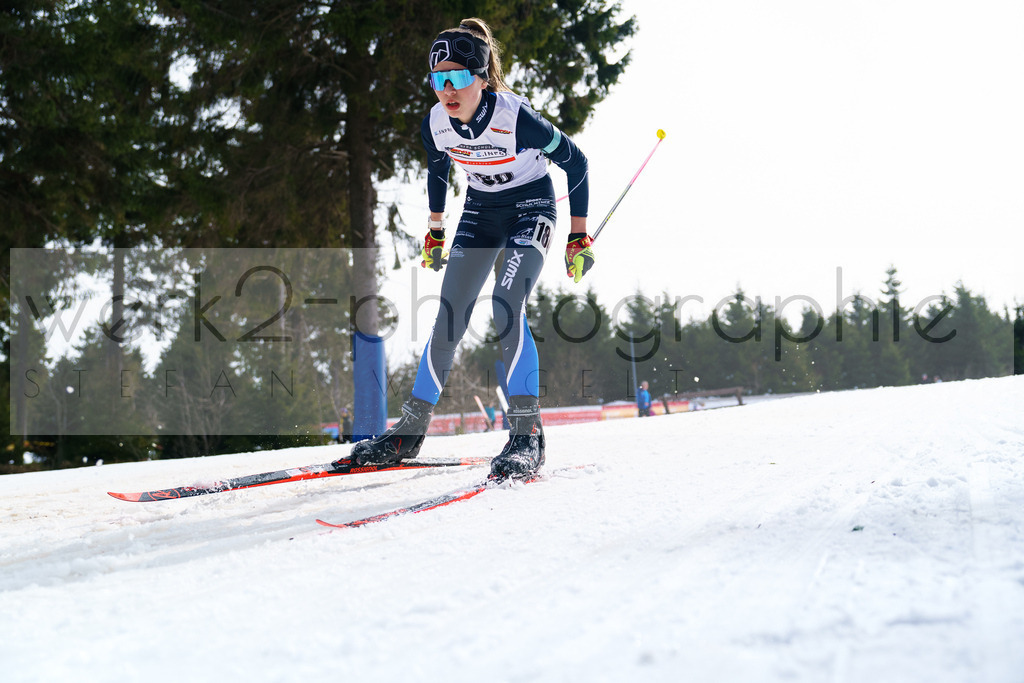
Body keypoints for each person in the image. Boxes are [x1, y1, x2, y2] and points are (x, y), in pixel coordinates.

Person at [339, 18, 593, 479]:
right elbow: (438, 170)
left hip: (531, 207)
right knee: (450, 314)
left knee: (505, 305)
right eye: (437, 80)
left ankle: (526, 433)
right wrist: (435, 228)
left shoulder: (517, 118)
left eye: (456, 78)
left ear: (480, 78)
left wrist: (578, 234)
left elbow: (576, 162)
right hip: (480, 213)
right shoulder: (436, 123)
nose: (446, 90)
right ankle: (410, 432)